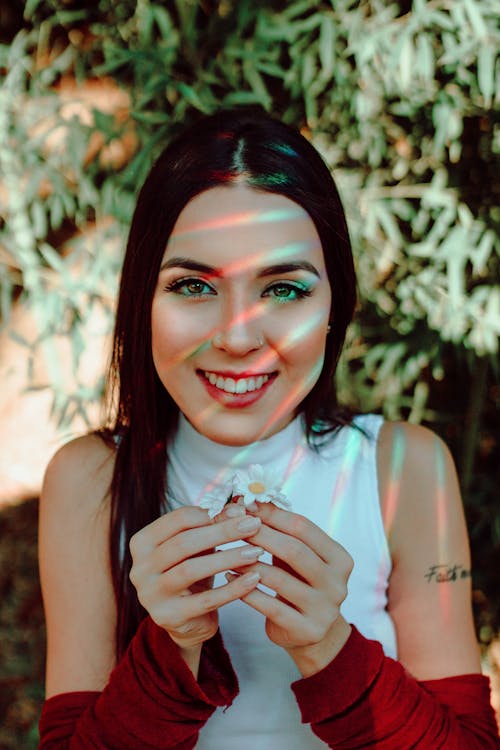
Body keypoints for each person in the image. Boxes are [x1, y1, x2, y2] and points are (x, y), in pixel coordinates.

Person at [38, 107, 499, 749]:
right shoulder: (89, 480)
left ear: (336, 301)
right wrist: (171, 649)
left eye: (284, 290)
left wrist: (329, 648)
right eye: (194, 284)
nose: (238, 337)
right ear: (142, 297)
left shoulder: (405, 470)